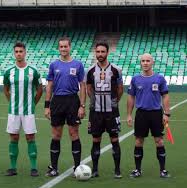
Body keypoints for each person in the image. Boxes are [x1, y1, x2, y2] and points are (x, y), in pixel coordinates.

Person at [44, 37, 86, 177]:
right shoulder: (53, 65)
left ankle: (77, 167)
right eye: (61, 47)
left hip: (72, 101)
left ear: (70, 47)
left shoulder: (78, 64)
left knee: (74, 133)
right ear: (58, 48)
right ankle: (54, 167)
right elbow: (49, 85)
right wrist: (47, 105)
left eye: (65, 46)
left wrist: (82, 105)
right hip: (57, 101)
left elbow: (83, 86)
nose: (63, 49)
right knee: (56, 134)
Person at [127, 53, 171, 178]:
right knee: (139, 141)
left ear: (152, 63)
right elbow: (131, 97)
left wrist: (166, 113)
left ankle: (163, 170)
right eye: (143, 61)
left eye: (148, 61)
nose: (145, 63)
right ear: (140, 63)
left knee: (159, 141)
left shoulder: (159, 79)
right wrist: (129, 115)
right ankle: (137, 170)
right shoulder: (135, 79)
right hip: (141, 114)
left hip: (156, 113)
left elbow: (165, 96)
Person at [3, 42, 43, 177]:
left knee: (30, 137)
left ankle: (33, 167)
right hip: (13, 111)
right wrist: (12, 102)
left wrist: (33, 103)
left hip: (28, 111)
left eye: (21, 51)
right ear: (14, 53)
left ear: (25, 53)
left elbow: (39, 89)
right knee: (13, 137)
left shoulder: (33, 71)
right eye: (16, 51)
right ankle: (13, 167)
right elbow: (6, 90)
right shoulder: (9, 71)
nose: (19, 53)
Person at [85, 42, 123, 179]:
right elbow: (89, 88)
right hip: (95, 112)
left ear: (107, 53)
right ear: (95, 53)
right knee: (96, 139)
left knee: (114, 139)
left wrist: (113, 102)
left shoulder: (116, 70)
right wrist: (94, 101)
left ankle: (117, 170)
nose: (100, 54)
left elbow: (120, 89)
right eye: (98, 52)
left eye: (103, 52)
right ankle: (95, 170)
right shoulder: (90, 71)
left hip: (111, 111)